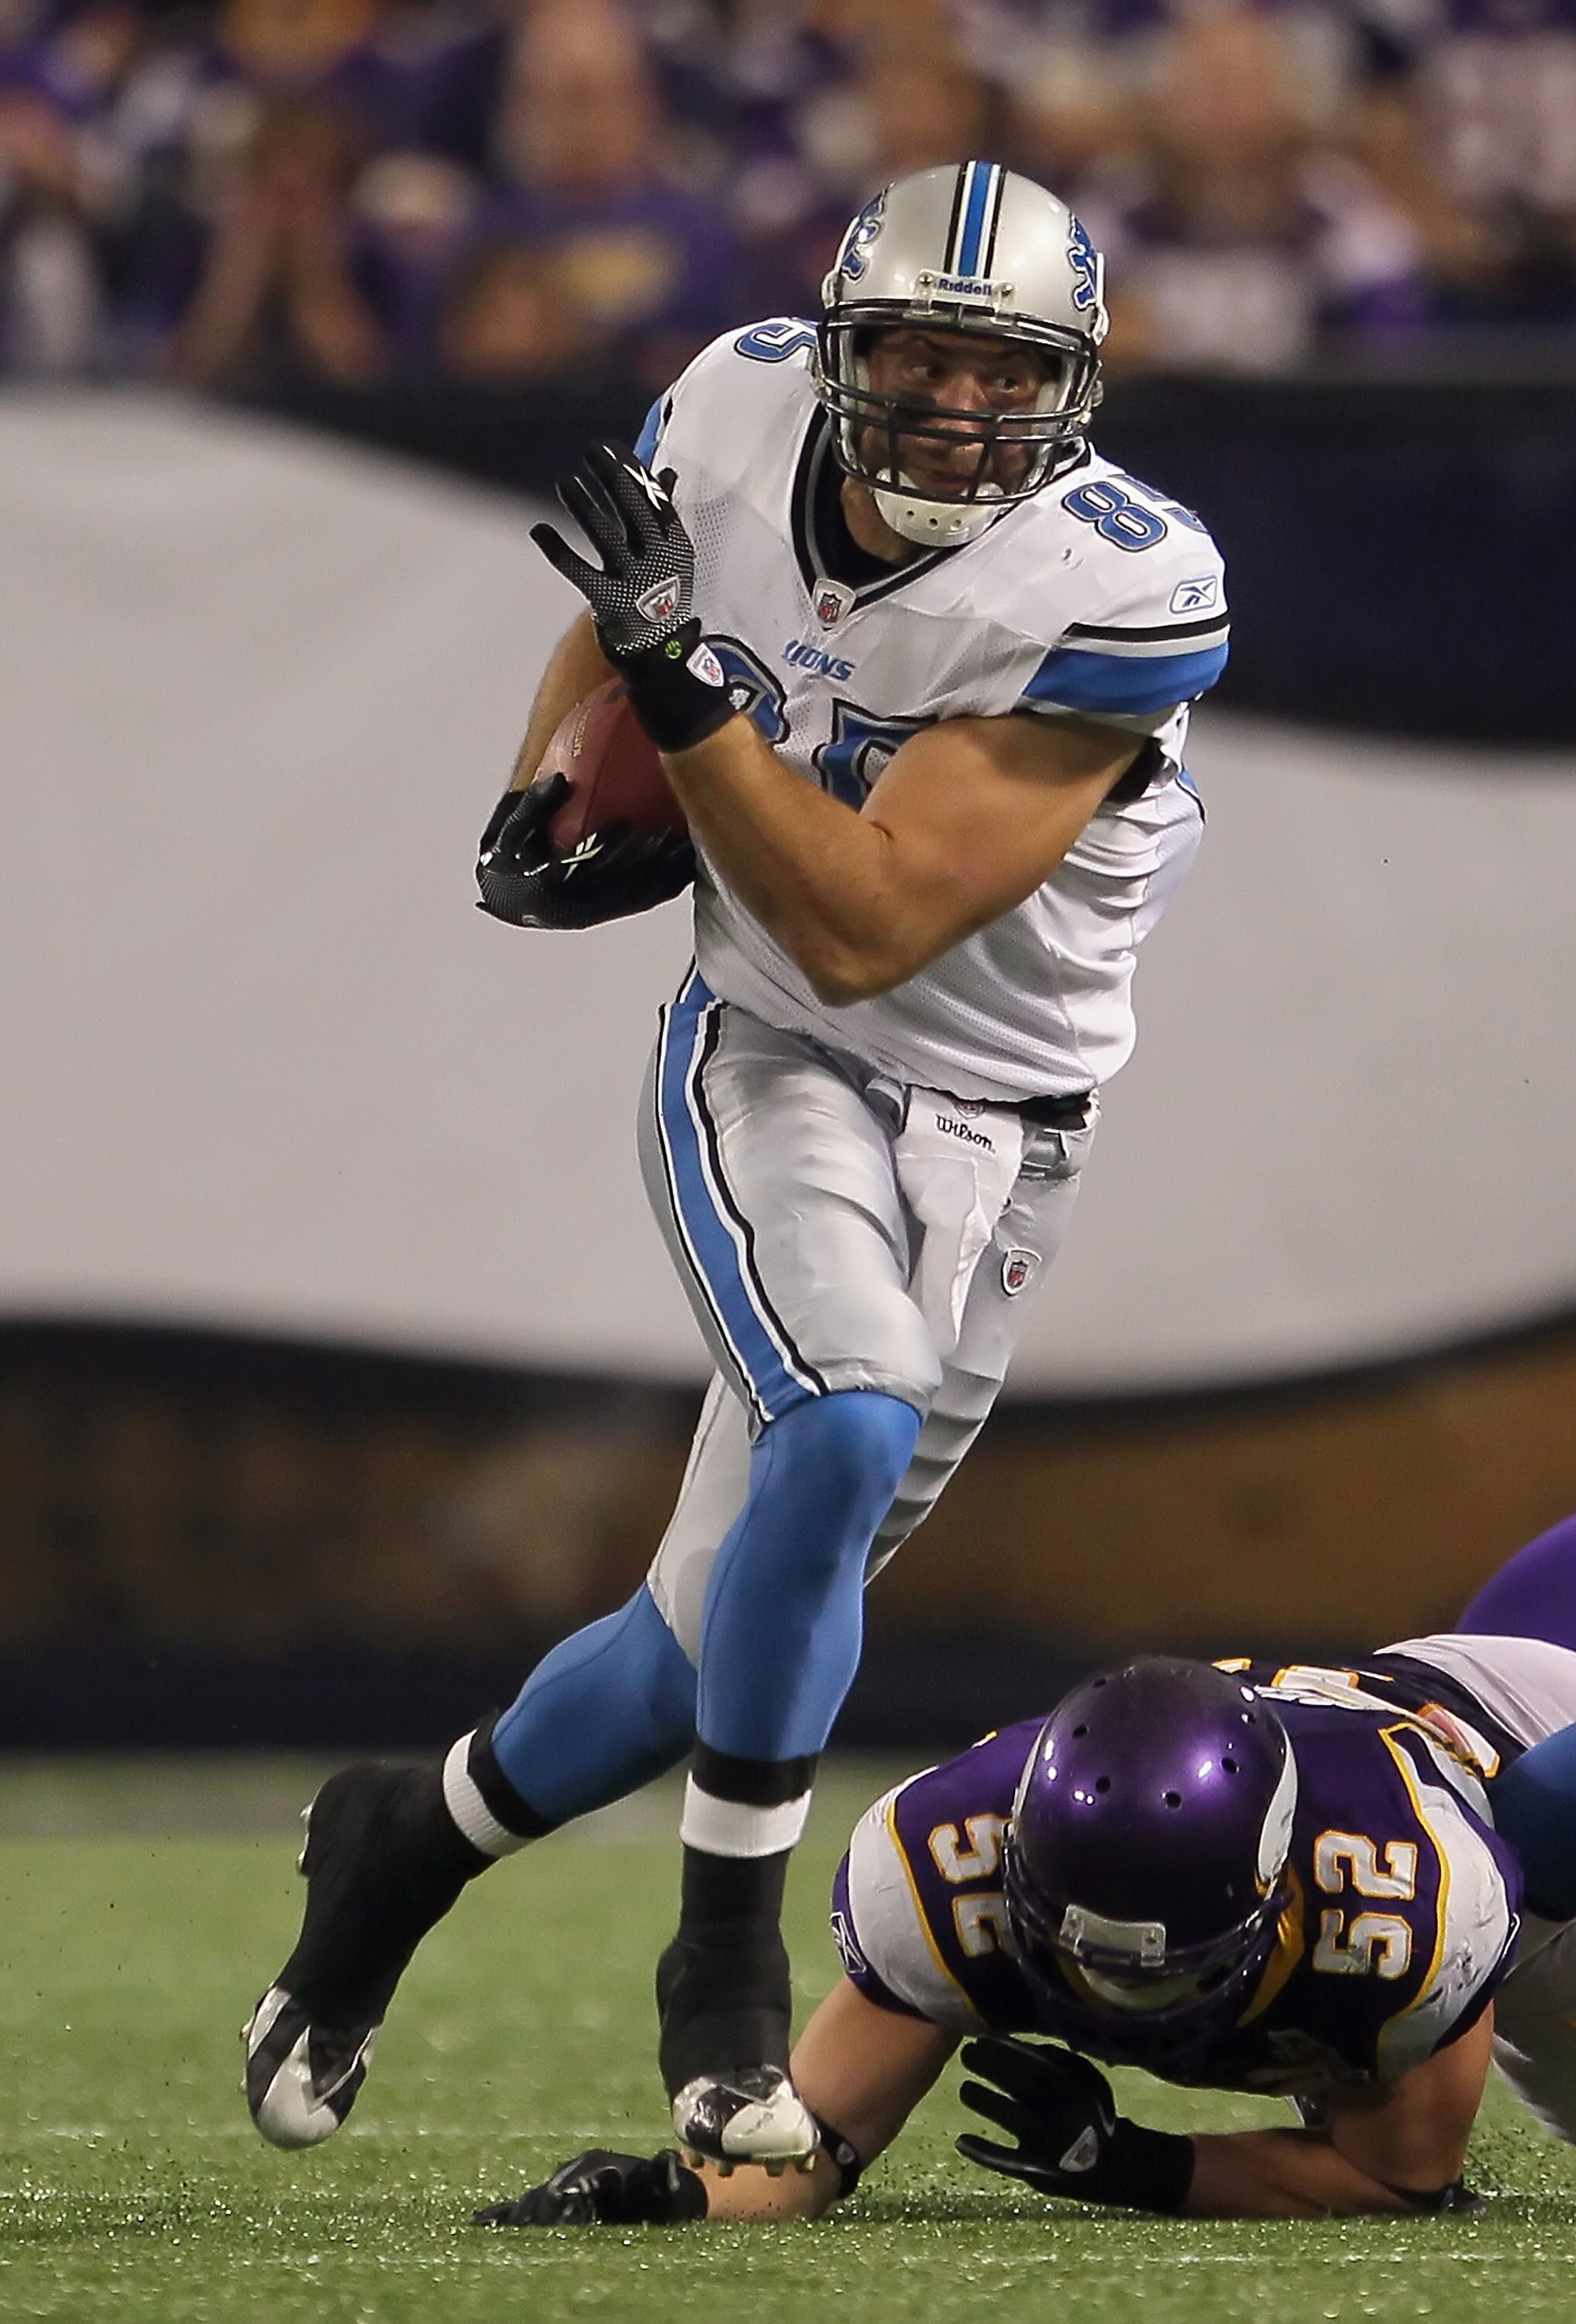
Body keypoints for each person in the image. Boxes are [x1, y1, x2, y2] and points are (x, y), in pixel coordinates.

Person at [245, 160, 1230, 2174]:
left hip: (1000, 1129)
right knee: (846, 1417)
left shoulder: (1118, 584)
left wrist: (677, 678)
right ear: (849, 350)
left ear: (1074, 389)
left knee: (701, 1649)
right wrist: (548, 778)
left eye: (1006, 372)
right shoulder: (737, 397)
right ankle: (721, 1982)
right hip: (773, 1052)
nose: (959, 407)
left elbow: (873, 913)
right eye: (925, 359)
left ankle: (395, 1847)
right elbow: (621, 624)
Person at [475, 1512, 1576, 2228]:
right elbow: (811, 2148)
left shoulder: (1407, 1894)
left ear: (1278, 1891)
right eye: (1086, 1962)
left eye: (1172, 1974)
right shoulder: (949, 1869)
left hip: (1512, 1746)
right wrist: (666, 2197)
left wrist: (1138, 2169)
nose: (1119, 2002)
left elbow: (1400, 2178)